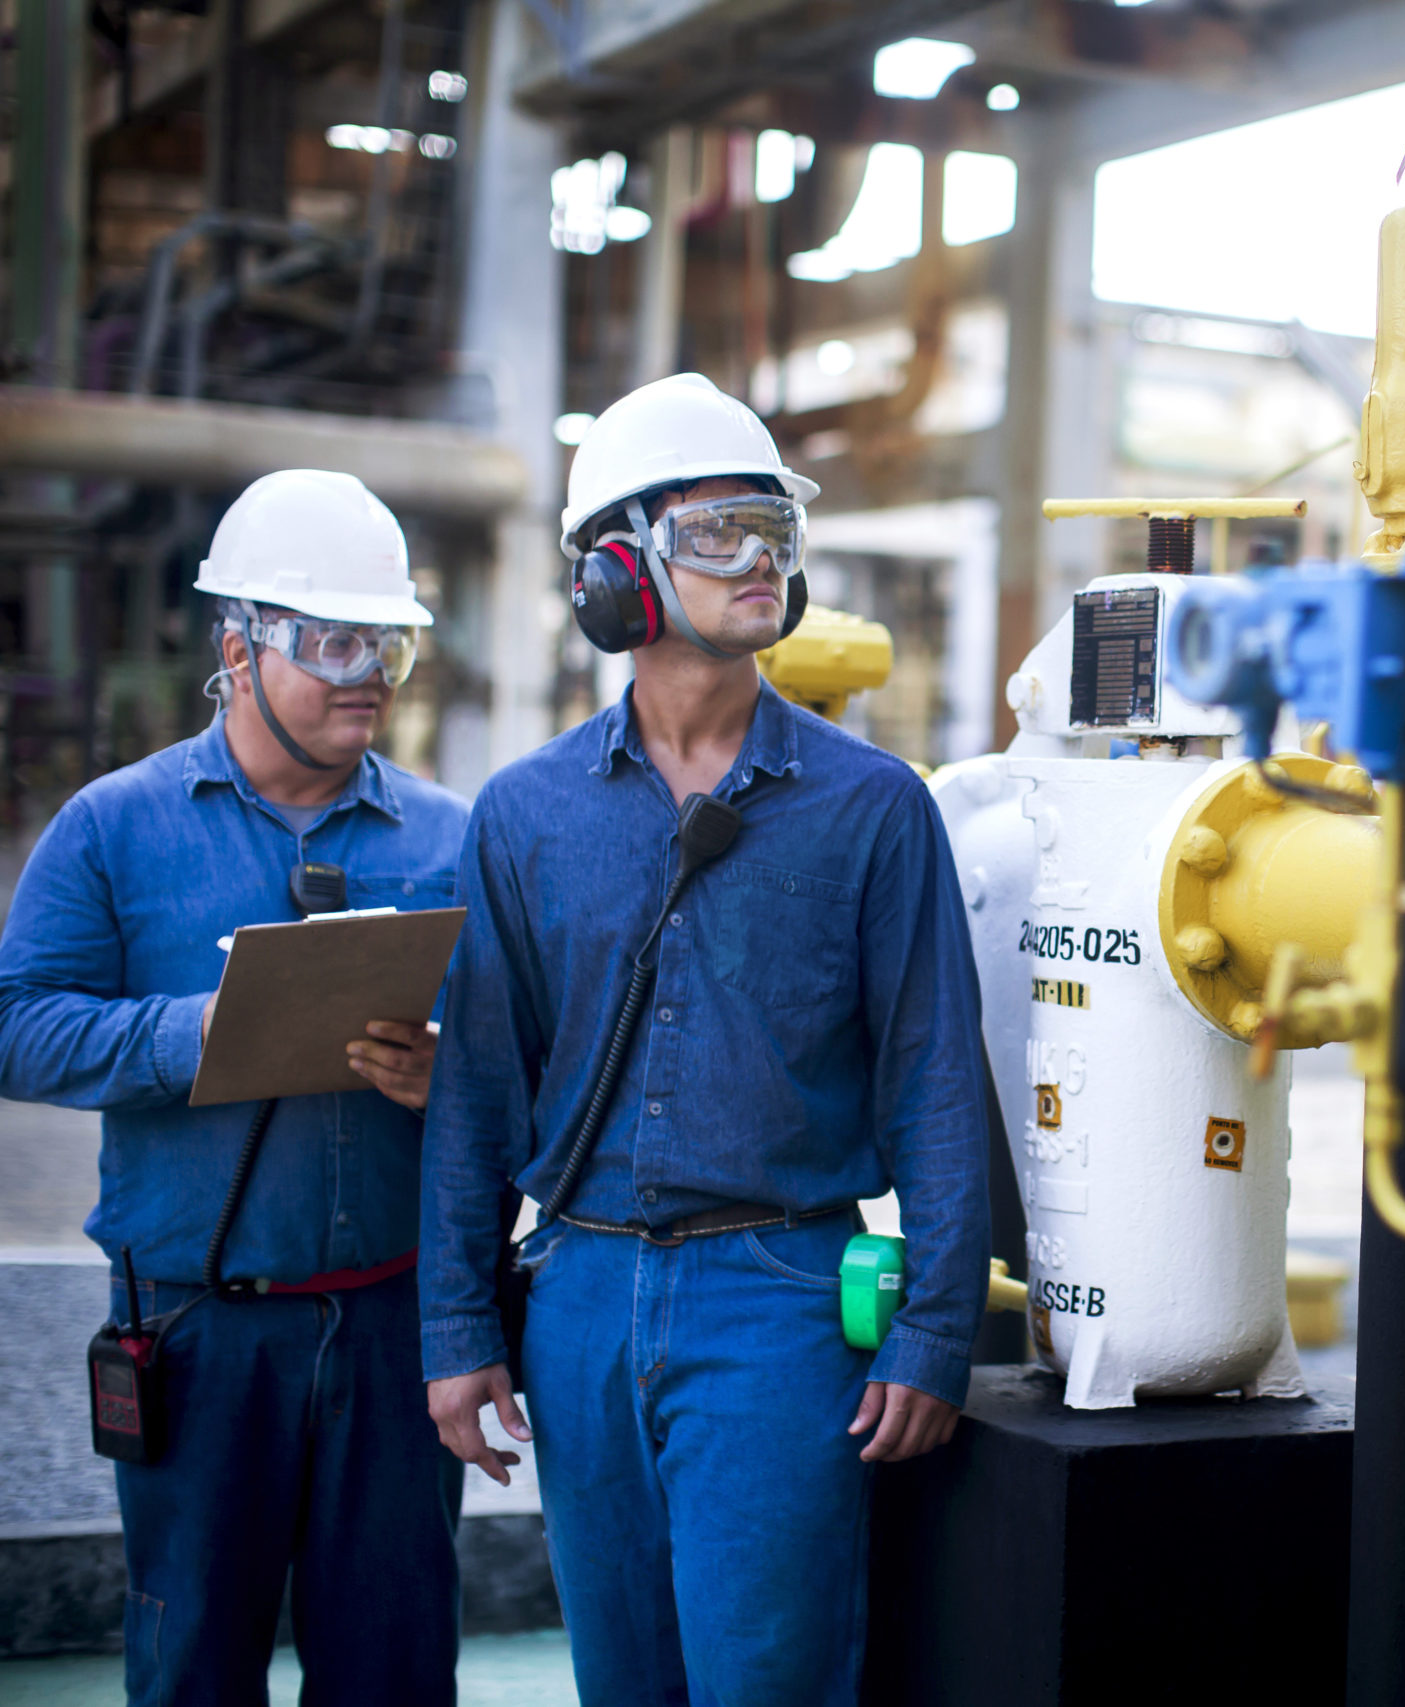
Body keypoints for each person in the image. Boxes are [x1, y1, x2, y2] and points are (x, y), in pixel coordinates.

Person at [418, 372, 989, 1703]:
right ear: (615, 569)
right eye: (723, 530)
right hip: (575, 1298)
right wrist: (458, 1321)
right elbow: (478, 1091)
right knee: (622, 1679)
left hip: (780, 1301)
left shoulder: (873, 808)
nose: (765, 563)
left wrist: (935, 1330)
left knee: (767, 1678)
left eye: (778, 532)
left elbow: (936, 1084)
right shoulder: (524, 814)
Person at [0, 469, 469, 1704]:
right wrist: (195, 1036)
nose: (367, 670)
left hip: (395, 1332)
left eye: (391, 644)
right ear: (238, 647)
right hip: (198, 1329)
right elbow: (14, 1026)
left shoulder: (449, 842)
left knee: (395, 1664)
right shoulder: (113, 830)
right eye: (332, 641)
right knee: (194, 1657)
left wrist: (452, 1080)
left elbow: (534, 1064)